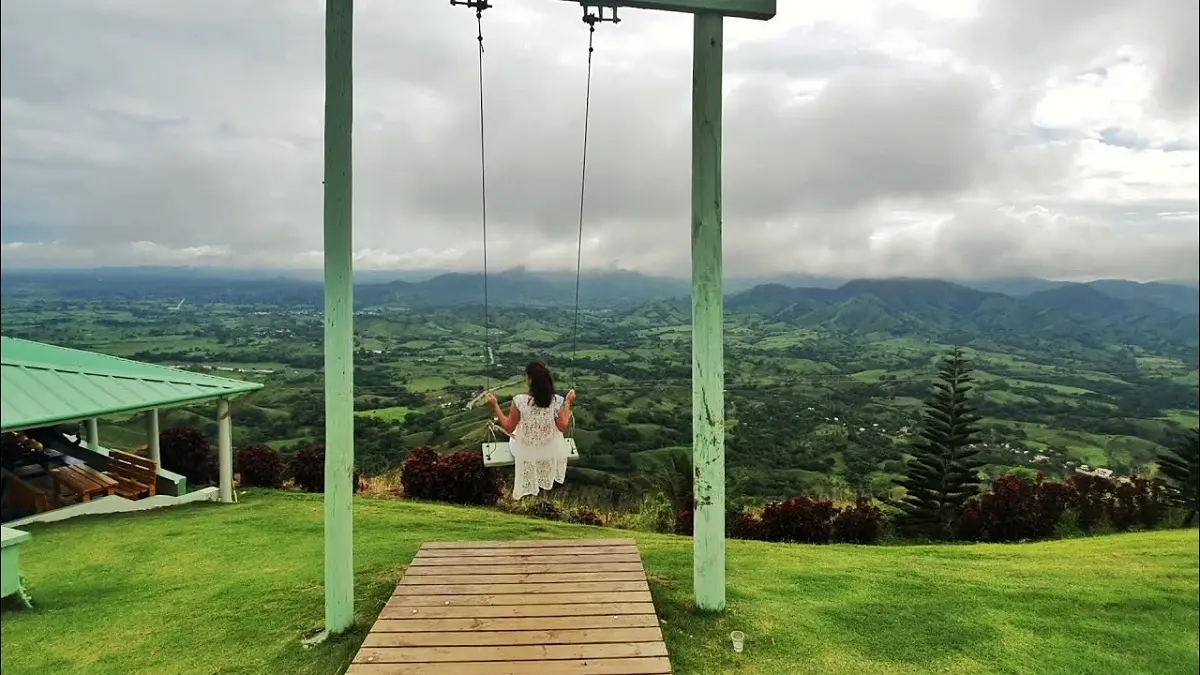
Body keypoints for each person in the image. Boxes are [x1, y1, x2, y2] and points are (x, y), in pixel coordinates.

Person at [485, 361, 577, 500]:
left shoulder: (520, 401)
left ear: (530, 380)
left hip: (524, 449)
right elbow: (563, 427)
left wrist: (495, 406)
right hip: (548, 449)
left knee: (515, 434)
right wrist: (568, 402)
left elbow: (508, 427)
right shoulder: (556, 401)